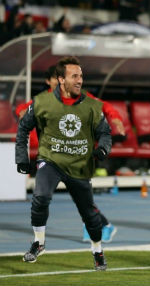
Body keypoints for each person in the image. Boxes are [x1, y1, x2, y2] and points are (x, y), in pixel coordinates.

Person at [15, 56, 112, 270]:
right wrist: (22, 158)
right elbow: (23, 128)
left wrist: (104, 147)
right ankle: (38, 243)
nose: (79, 80)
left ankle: (97, 250)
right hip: (50, 161)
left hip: (79, 165)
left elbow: (105, 132)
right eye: (74, 76)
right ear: (61, 79)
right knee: (40, 197)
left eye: (81, 76)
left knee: (89, 214)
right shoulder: (41, 102)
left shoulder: (93, 106)